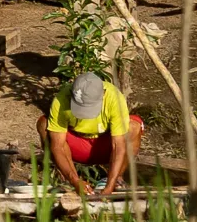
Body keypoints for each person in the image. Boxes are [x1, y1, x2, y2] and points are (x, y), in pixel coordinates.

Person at [45, 69, 140, 200]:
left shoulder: (114, 97)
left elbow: (118, 146)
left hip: (103, 144)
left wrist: (109, 186)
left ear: (103, 94)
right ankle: (69, 181)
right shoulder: (61, 99)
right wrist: (75, 181)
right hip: (78, 145)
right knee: (44, 124)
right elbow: (58, 147)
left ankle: (116, 178)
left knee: (134, 127)